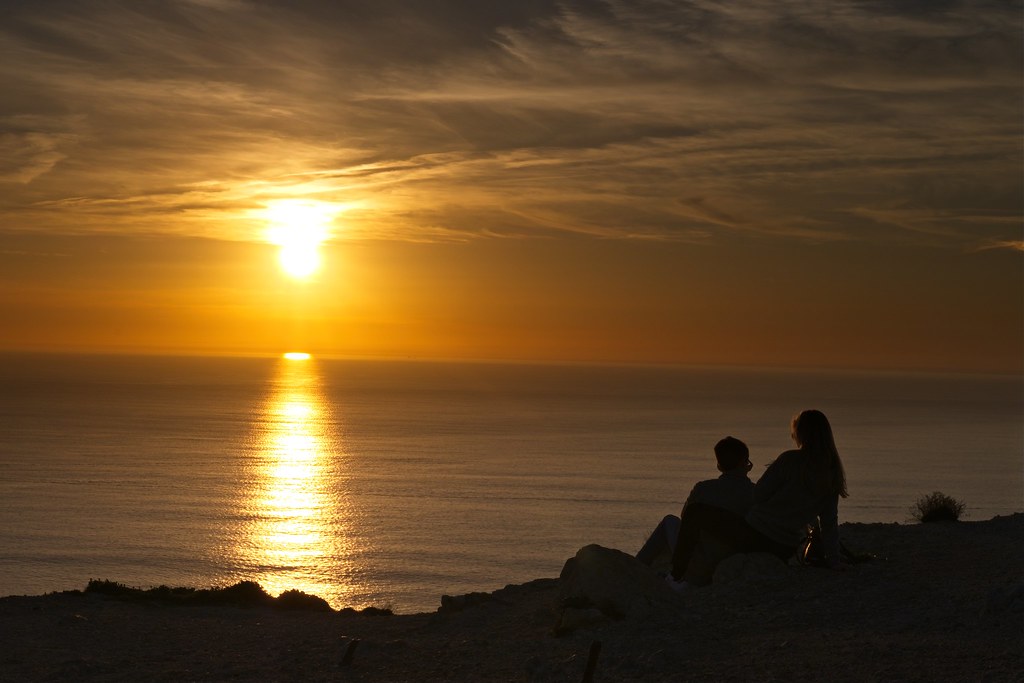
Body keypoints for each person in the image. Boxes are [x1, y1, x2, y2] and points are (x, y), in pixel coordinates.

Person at [668, 409, 849, 585]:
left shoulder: (789, 460)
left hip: (755, 534)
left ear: (801, 433)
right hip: (785, 547)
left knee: (695, 511)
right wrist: (834, 562)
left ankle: (676, 576)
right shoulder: (832, 472)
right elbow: (829, 522)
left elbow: (759, 494)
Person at [636, 436, 755, 584]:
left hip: (697, 563)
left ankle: (633, 567)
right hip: (732, 561)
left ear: (719, 465)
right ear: (745, 463)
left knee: (670, 521)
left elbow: (686, 521)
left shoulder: (703, 488)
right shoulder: (755, 493)